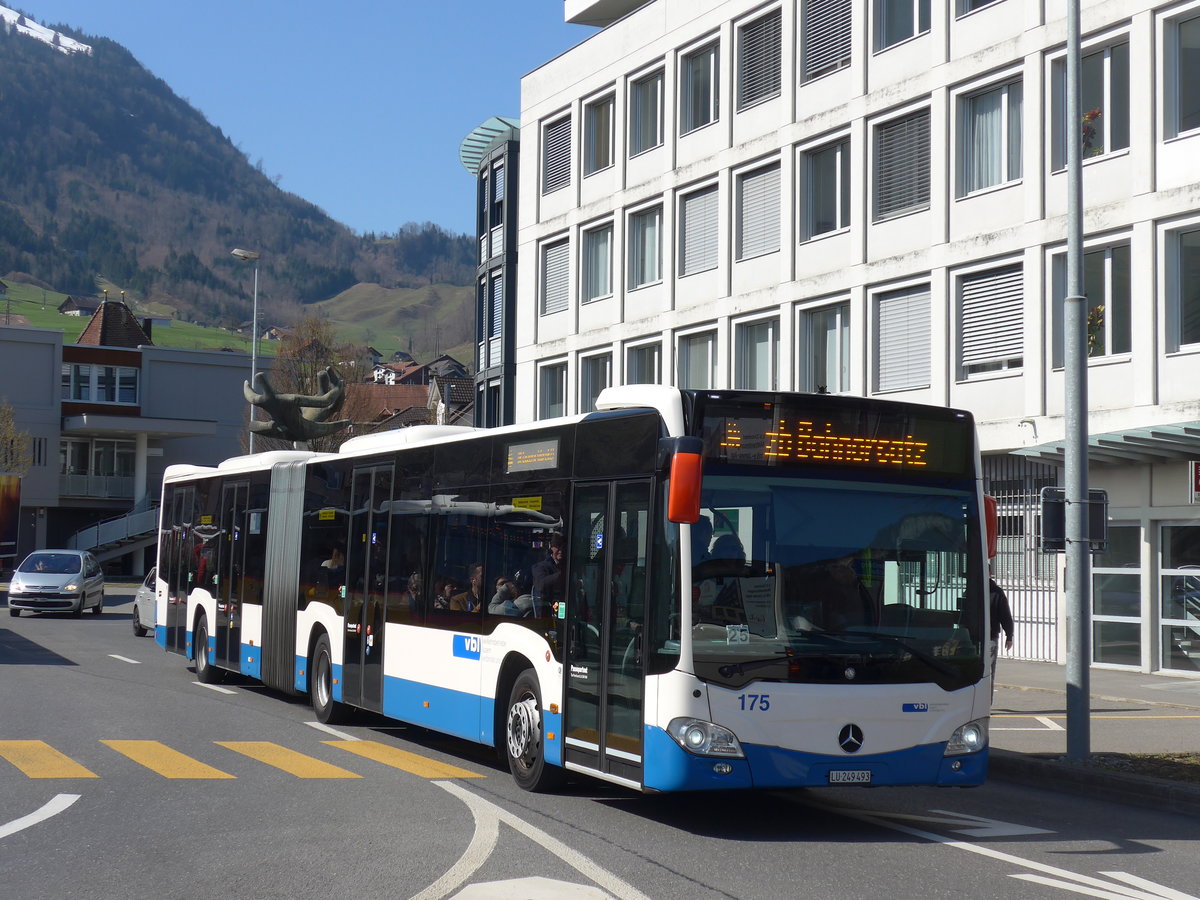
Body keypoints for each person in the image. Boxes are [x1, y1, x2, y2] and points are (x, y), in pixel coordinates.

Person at [989, 576, 1015, 694]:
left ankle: (987, 702)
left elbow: (1005, 615)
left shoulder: (996, 593)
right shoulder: (973, 589)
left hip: (990, 635)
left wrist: (1009, 636)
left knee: (988, 672)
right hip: (974, 634)